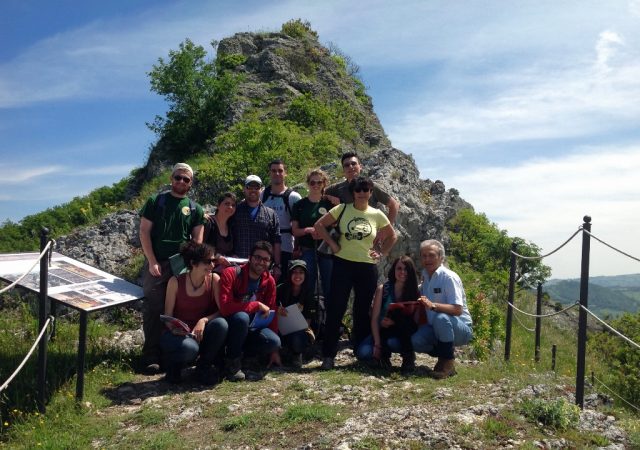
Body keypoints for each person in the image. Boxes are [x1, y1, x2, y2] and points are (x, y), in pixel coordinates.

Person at [314, 177, 398, 370]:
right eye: (358, 189)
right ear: (353, 192)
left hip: (367, 266)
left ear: (370, 192)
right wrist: (333, 244)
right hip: (343, 263)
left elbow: (392, 235)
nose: (361, 193)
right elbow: (320, 225)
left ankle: (360, 351)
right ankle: (328, 355)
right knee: (336, 309)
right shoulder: (342, 209)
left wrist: (382, 253)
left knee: (361, 311)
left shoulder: (377, 214)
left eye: (365, 189)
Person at [139, 162, 206, 374]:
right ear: (171, 178)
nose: (181, 182)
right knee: (154, 308)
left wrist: (191, 266)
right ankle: (151, 355)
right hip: (157, 261)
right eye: (178, 177)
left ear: (191, 183)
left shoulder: (196, 208)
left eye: (186, 179)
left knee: (182, 308)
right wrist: (152, 261)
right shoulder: (155, 201)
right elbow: (144, 232)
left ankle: (177, 354)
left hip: (182, 263)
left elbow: (197, 240)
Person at [160, 242, 228, 384]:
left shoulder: (214, 279)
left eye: (213, 261)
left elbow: (223, 311)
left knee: (221, 324)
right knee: (189, 348)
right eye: (208, 262)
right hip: (178, 333)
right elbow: (167, 316)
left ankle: (203, 368)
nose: (212, 266)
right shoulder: (175, 281)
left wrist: (203, 320)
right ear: (193, 263)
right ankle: (174, 366)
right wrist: (174, 328)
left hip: (200, 332)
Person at [218, 241, 281, 381]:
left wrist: (274, 351)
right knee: (241, 317)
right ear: (250, 257)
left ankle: (247, 358)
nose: (261, 262)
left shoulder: (269, 281)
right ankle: (231, 363)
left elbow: (272, 313)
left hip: (253, 328)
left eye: (266, 259)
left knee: (274, 342)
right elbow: (225, 307)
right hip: (231, 326)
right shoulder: (231, 273)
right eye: (258, 257)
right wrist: (256, 305)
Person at [412, 239, 473, 379]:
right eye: (424, 256)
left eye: (432, 255)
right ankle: (444, 355)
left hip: (460, 328)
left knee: (441, 317)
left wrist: (433, 306)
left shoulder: (448, 277)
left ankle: (447, 363)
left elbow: (458, 309)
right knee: (415, 340)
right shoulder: (425, 276)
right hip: (436, 328)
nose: (427, 259)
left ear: (441, 257)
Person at [356, 256, 421, 374]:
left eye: (406, 269)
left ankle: (408, 358)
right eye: (399, 269)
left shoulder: (415, 291)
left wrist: (396, 321)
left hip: (405, 330)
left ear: (410, 272)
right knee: (363, 352)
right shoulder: (383, 289)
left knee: (400, 318)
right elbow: (375, 318)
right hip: (384, 329)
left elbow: (416, 320)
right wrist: (377, 344)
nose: (402, 272)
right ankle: (383, 356)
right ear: (394, 270)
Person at [291, 169, 334, 306]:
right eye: (312, 182)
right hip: (307, 249)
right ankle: (309, 318)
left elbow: (336, 225)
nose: (315, 185)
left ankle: (328, 320)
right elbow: (295, 231)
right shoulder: (299, 205)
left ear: (324, 184)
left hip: (326, 250)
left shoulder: (329, 204)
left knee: (329, 284)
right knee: (308, 284)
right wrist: (308, 230)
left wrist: (323, 232)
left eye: (319, 182)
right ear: (308, 184)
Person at [325, 151, 400, 225]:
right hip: (345, 233)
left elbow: (394, 205)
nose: (351, 167)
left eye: (353, 163)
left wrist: (386, 230)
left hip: (369, 232)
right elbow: (317, 194)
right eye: (347, 165)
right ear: (343, 170)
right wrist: (329, 197)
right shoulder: (337, 188)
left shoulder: (371, 186)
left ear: (360, 167)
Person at [232, 175, 282, 279]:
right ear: (244, 189)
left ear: (261, 189)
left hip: (262, 267)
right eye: (249, 187)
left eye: (256, 188)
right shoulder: (234, 211)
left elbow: (276, 241)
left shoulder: (271, 214)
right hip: (238, 265)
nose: (253, 190)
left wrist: (277, 265)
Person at [261, 159, 302, 280]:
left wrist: (297, 247)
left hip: (287, 245)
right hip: (265, 245)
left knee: (285, 280)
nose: (277, 173)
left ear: (285, 173)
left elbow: (299, 223)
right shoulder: (263, 194)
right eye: (273, 171)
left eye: (280, 170)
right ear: (269, 173)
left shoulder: (293, 197)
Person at [276, 260, 317, 368]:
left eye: (301, 272)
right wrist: (277, 310)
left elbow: (308, 321)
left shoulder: (309, 292)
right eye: (294, 272)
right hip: (280, 328)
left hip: (300, 331)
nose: (298, 275)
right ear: (289, 274)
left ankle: (297, 355)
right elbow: (271, 308)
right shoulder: (280, 289)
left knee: (297, 338)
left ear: (305, 275)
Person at [204, 192, 237, 270]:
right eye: (227, 204)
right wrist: (217, 257)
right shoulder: (208, 222)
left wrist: (233, 256)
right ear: (218, 205)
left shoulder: (231, 227)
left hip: (224, 271)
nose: (230, 207)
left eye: (233, 205)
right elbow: (200, 246)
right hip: (207, 270)